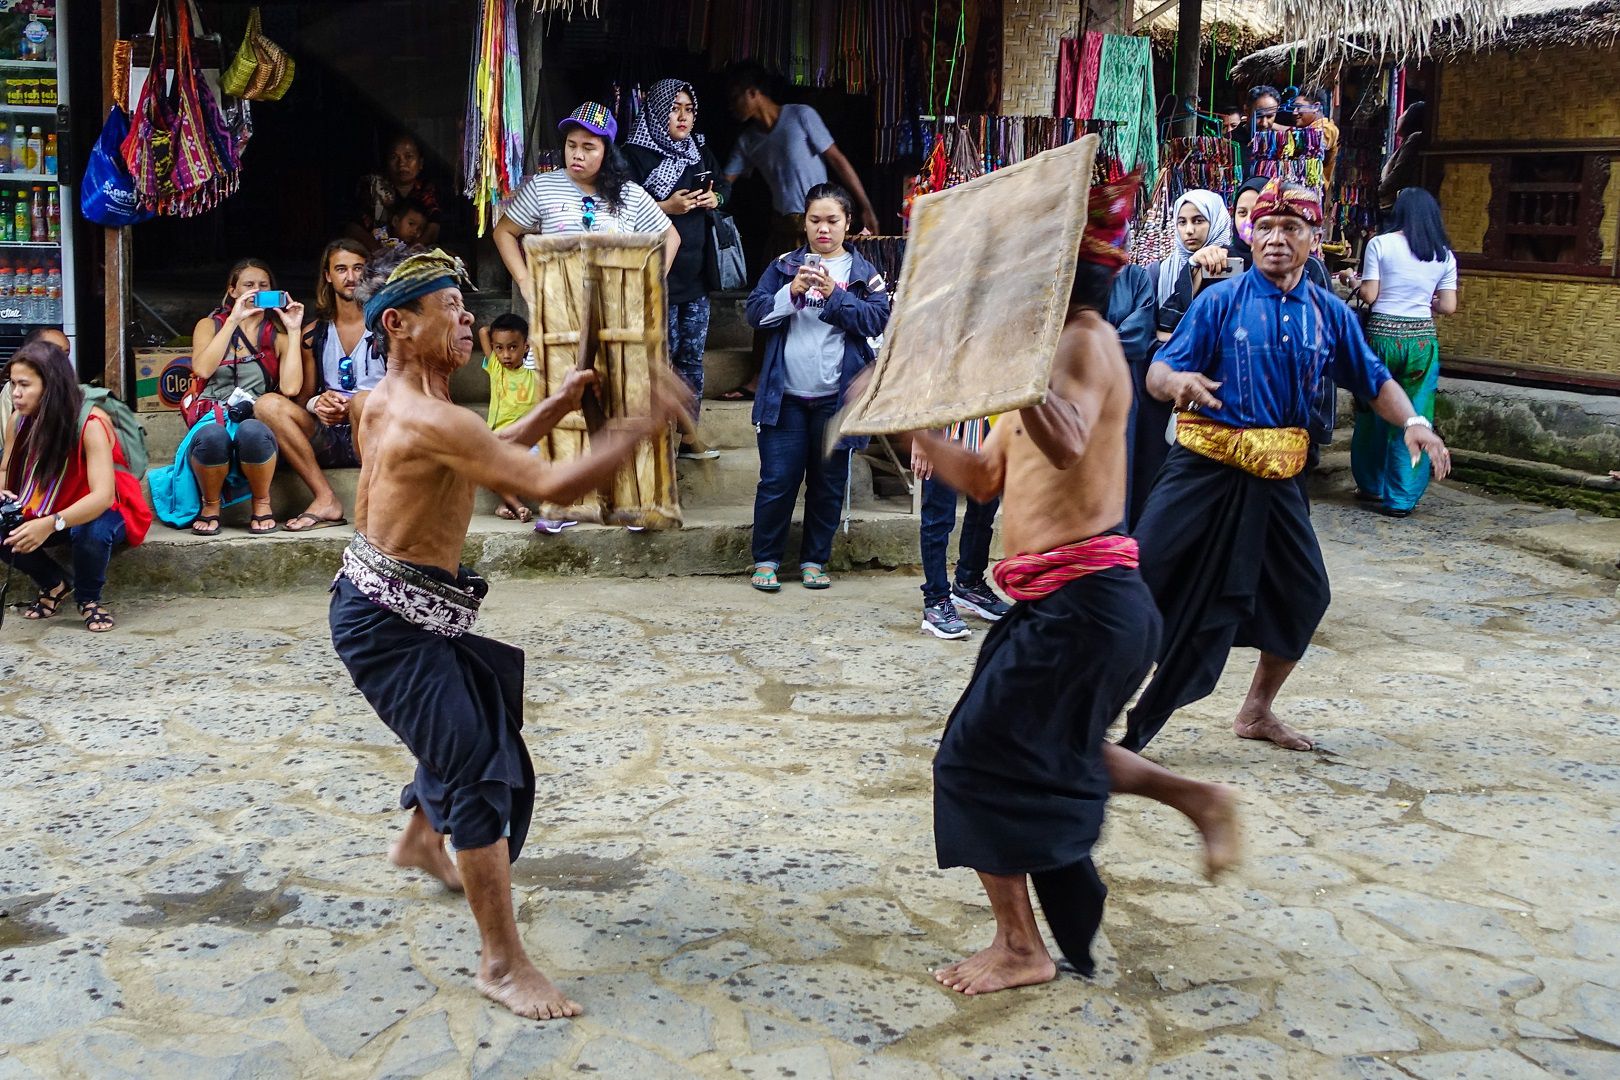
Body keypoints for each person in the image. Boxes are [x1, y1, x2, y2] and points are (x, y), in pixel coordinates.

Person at [329, 246, 688, 1020]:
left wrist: (557, 406)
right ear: (397, 322)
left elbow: (482, 453)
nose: (468, 320)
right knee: (482, 769)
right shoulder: (433, 417)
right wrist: (644, 423)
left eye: (467, 306)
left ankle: (422, 840)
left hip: (395, 607)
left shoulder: (385, 401)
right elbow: (550, 484)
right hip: (391, 625)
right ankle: (501, 963)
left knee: (472, 713)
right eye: (449, 310)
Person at [917, 176, 1238, 996]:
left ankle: (1022, 948)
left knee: (973, 760)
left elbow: (1061, 442)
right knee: (1046, 748)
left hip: (1088, 604)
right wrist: (909, 420)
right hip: (1067, 608)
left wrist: (1003, 369)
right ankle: (1196, 797)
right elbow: (987, 478)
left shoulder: (1082, 343)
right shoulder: (1042, 357)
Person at [1120, 180, 1452, 755]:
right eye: (1265, 228)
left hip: (1279, 479)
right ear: (1250, 234)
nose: (1276, 239)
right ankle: (1086, 703)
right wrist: (1179, 382)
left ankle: (1256, 712)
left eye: (1290, 229)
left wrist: (1413, 423)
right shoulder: (1219, 301)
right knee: (1139, 583)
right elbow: (1157, 372)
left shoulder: (1329, 313)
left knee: (1305, 594)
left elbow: (1373, 379)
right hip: (1201, 470)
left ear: (1311, 239)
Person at [744, 183, 889, 592]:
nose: (823, 230)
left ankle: (813, 561)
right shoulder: (783, 266)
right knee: (777, 481)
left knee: (827, 484)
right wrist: (791, 291)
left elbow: (877, 321)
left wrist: (832, 296)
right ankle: (767, 560)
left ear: (848, 224)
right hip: (784, 396)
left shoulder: (864, 275)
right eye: (814, 221)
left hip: (834, 400)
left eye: (832, 221)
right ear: (804, 224)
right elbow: (754, 313)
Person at [721, 62, 881, 401]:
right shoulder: (748, 140)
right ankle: (757, 377)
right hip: (784, 228)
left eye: (737, 97)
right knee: (772, 298)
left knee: (831, 296)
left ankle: (841, 378)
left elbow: (837, 160)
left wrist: (864, 205)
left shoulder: (800, 116)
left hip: (819, 224)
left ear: (754, 93)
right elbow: (726, 183)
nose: (732, 106)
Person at [1, 341, 151, 632]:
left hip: (105, 508)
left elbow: (102, 497)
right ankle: (55, 584)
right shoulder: (19, 420)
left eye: (24, 384)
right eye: (12, 384)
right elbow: (6, 468)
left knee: (91, 530)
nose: (15, 394)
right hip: (47, 506)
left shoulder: (91, 423)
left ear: (51, 385)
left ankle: (88, 599)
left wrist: (50, 523)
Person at [622, 79, 732, 459]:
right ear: (657, 110)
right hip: (657, 275)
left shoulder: (698, 149)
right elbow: (621, 207)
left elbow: (725, 189)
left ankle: (688, 436)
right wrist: (666, 208)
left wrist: (713, 197)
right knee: (657, 359)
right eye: (674, 108)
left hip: (697, 275)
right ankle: (653, 438)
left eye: (689, 109)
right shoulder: (633, 155)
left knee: (690, 359)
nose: (683, 116)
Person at [493, 102, 679, 310]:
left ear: (607, 152)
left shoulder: (629, 194)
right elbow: (504, 232)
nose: (577, 154)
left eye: (588, 147)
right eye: (571, 145)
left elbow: (670, 236)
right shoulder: (543, 186)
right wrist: (523, 279)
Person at [1347, 187, 1459, 517]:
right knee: (1415, 414)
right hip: (1421, 341)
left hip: (1381, 337)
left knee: (1374, 410)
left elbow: (1369, 294)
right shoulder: (1445, 255)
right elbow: (1449, 306)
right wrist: (1426, 299)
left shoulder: (1381, 244)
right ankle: (1402, 498)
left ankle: (1370, 485)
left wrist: (1350, 280)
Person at [253, 240, 379, 532]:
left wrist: (357, 406)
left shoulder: (388, 325)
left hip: (375, 432)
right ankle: (325, 499)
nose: (350, 277)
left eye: (358, 268)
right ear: (327, 276)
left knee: (362, 401)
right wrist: (317, 404)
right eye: (341, 269)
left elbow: (407, 391)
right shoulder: (315, 333)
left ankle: (373, 501)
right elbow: (302, 398)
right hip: (330, 435)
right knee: (266, 405)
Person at [185, 259, 305, 536]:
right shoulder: (209, 325)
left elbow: (290, 388)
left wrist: (295, 330)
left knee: (252, 431)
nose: (256, 291)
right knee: (213, 436)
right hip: (212, 415)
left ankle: (262, 502)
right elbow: (202, 368)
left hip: (254, 417)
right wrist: (233, 321)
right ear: (233, 291)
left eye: (263, 286)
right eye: (248, 285)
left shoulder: (278, 334)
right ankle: (210, 505)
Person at [910, 420, 1010, 640]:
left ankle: (969, 583)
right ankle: (936, 600)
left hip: (984, 424)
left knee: (986, 507)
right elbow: (917, 386)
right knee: (939, 515)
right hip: (941, 426)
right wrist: (920, 439)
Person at [1105, 260, 1159, 525]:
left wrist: (1088, 343)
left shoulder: (1135, 278)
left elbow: (1137, 337)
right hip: (1075, 386)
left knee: (1118, 472)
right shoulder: (1072, 273)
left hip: (1121, 388)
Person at [479, 312, 543, 522]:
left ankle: (505, 504)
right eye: (499, 348)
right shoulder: (496, 369)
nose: (506, 355)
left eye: (513, 347)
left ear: (526, 346)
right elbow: (483, 331)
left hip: (527, 439)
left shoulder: (533, 376)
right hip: (499, 438)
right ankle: (516, 504)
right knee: (482, 464)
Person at [353, 134, 442, 250]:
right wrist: (379, 252)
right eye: (394, 157)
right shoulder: (374, 187)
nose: (401, 164)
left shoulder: (427, 189)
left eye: (409, 157)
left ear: (420, 163)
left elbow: (434, 224)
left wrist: (415, 250)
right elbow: (354, 227)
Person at [1379, 103, 1429, 212]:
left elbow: (1399, 173)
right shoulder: (1407, 141)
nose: (1399, 117)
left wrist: (1378, 191)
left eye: (1404, 113)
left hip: (1398, 206)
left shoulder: (1414, 139)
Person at [1292, 87, 1339, 183]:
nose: (1294, 112)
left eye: (1299, 107)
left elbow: (1314, 143)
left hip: (1313, 191)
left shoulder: (1328, 129)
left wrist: (1274, 126)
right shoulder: (1303, 129)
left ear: (1316, 107)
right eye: (1293, 108)